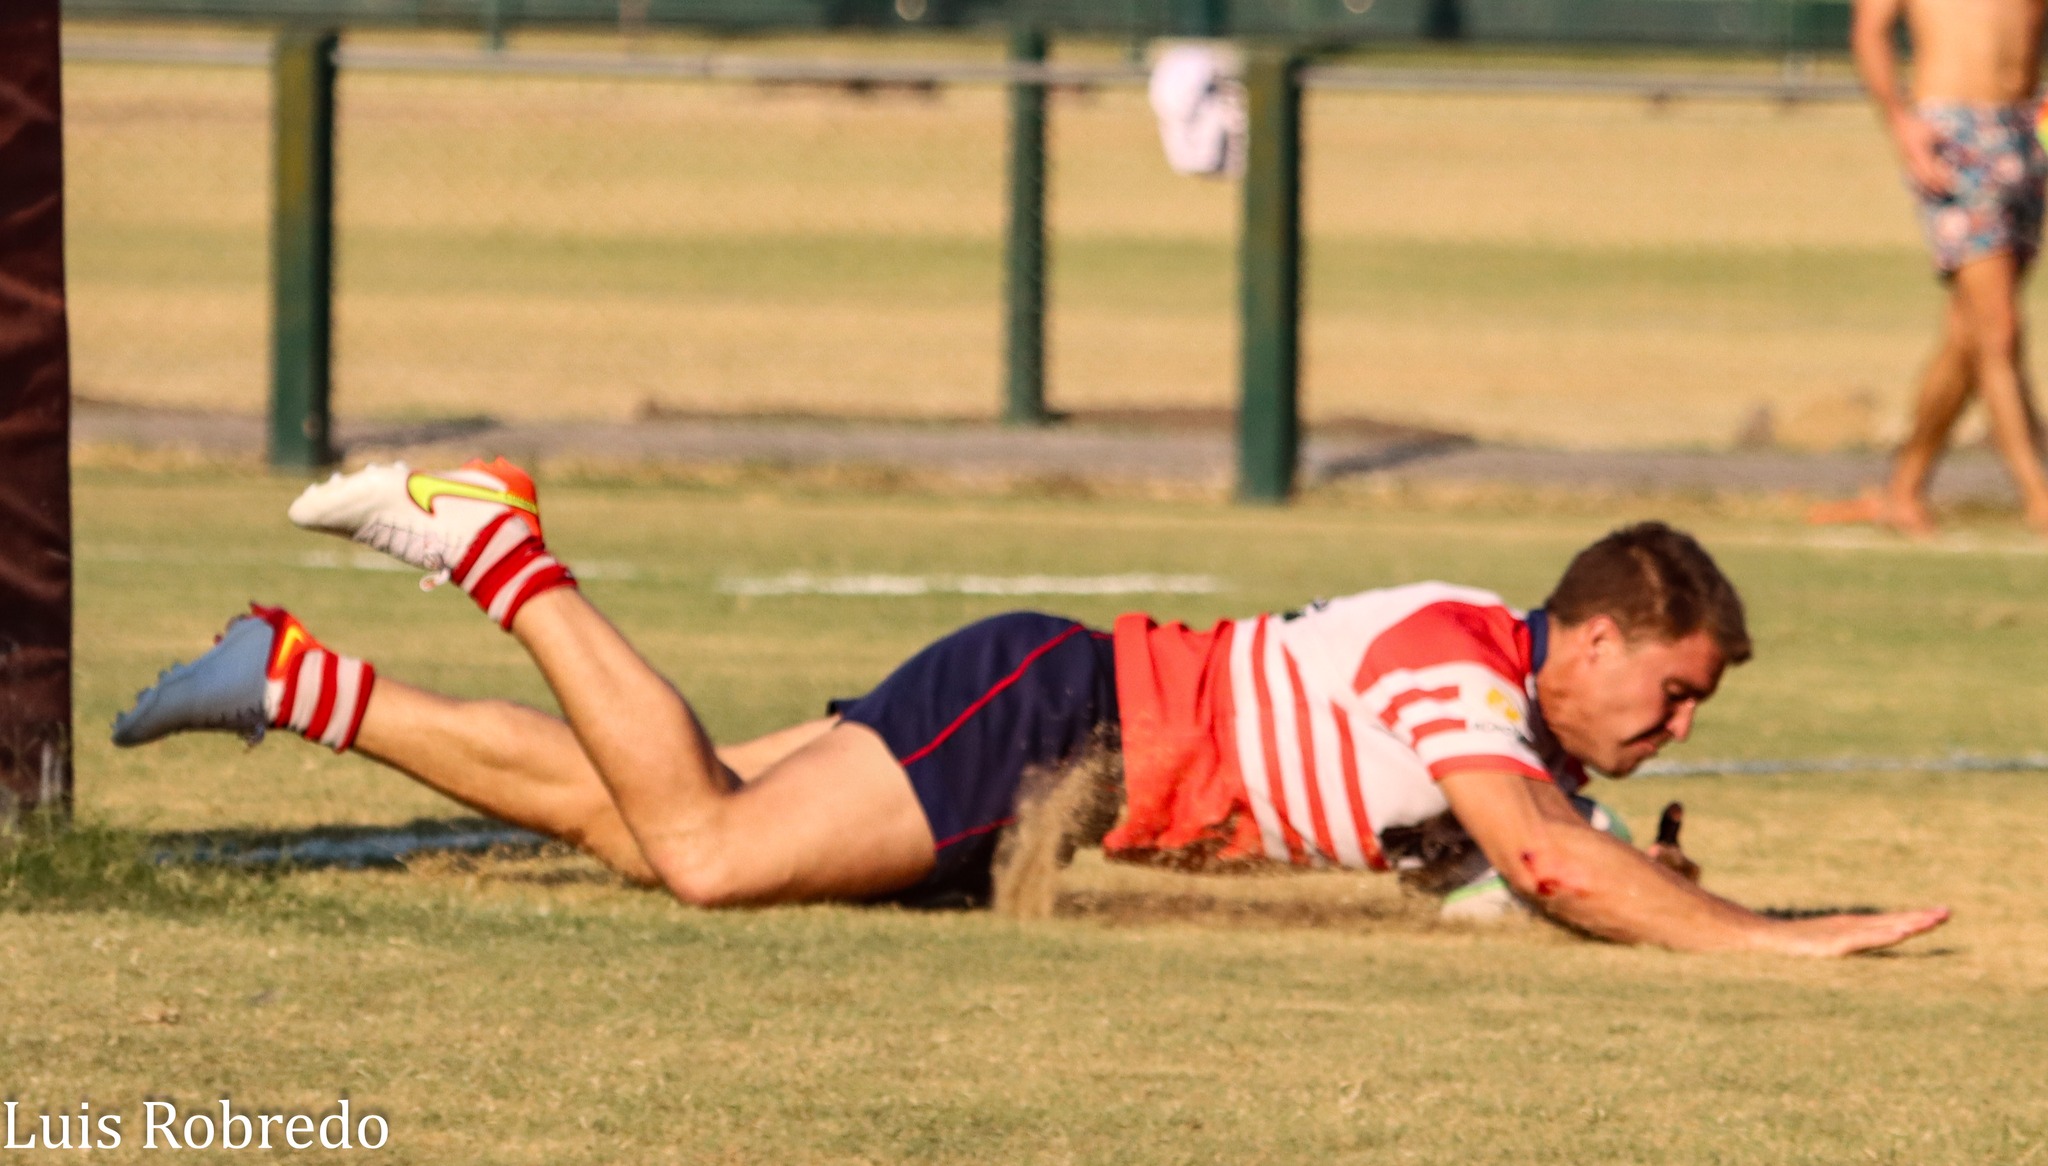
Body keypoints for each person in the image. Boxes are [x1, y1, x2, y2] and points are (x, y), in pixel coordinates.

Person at [114, 459, 1950, 956]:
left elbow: (1502, 865)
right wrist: (1780, 942)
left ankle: (294, 674)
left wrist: (1665, 882)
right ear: (1599, 634)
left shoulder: (1508, 719)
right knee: (704, 856)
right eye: (1679, 692)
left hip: (1040, 757)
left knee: (627, 804)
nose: (1682, 722)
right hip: (1049, 712)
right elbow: (1543, 872)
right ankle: (501, 552)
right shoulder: (1462, 664)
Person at [1814, 0, 2048, 537]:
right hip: (1953, 130)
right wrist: (1901, 121)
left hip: (2024, 128)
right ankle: (2037, 496)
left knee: (1971, 334)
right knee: (1999, 328)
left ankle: (1904, 491)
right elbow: (1870, 30)